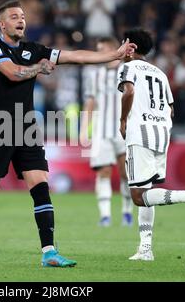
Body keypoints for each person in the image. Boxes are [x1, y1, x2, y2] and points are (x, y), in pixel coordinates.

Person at [0, 0, 136, 267]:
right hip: (1, 126)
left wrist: (114, 55)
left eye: (23, 16)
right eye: (14, 16)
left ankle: (49, 252)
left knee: (40, 187)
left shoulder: (33, 49)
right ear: (2, 23)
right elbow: (12, 73)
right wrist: (39, 68)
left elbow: (75, 56)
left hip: (27, 126)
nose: (21, 20)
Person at [119, 28, 185, 261]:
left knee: (138, 196)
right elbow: (171, 108)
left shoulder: (128, 68)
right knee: (148, 191)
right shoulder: (160, 72)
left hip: (140, 133)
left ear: (131, 47)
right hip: (161, 134)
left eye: (123, 44)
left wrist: (122, 119)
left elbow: (128, 92)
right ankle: (146, 249)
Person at [81, 37, 133, 227]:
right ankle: (105, 215)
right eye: (98, 49)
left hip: (124, 130)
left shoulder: (127, 71)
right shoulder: (94, 75)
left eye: (102, 49)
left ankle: (127, 212)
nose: (99, 53)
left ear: (113, 49)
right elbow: (90, 102)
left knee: (125, 173)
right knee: (103, 172)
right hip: (101, 131)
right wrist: (83, 129)